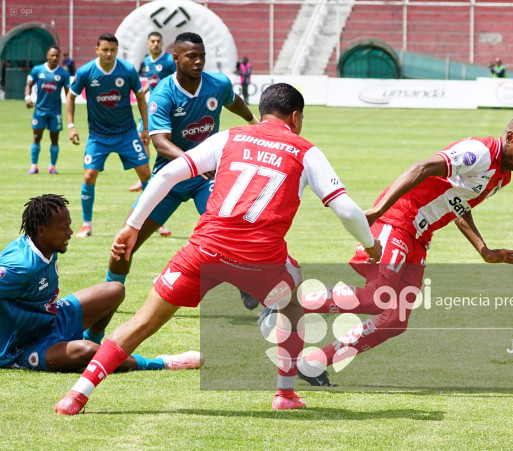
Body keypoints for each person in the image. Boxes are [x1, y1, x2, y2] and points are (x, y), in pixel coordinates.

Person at [54, 83, 382, 415]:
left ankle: (76, 395)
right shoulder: (305, 150)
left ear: (263, 111)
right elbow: (347, 211)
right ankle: (284, 394)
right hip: (261, 259)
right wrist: (371, 246)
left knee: (143, 322)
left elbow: (167, 174)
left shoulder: (230, 137)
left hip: (205, 250)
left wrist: (133, 225)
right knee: (294, 302)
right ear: (295, 118)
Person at [288, 112, 513, 386]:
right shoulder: (480, 153)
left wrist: (483, 250)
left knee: (395, 320)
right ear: (510, 138)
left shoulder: (501, 176)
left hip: (419, 237)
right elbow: (422, 167)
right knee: (379, 297)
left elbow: (458, 206)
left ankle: (313, 363)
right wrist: (379, 210)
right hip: (399, 220)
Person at [106, 32, 259, 305]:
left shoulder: (218, 84)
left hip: (207, 178)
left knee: (230, 230)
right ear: (176, 58)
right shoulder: (163, 93)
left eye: (202, 56)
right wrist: (194, 163)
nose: (198, 61)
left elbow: (232, 99)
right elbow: (161, 143)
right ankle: (108, 293)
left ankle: (246, 281)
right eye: (191, 56)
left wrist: (252, 120)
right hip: (170, 179)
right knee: (124, 245)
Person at [0, 194, 203, 373]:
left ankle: (94, 340)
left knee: (114, 290)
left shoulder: (42, 245)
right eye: (64, 228)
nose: (70, 232)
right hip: (24, 345)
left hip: (52, 319)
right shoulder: (20, 265)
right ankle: (158, 363)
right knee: (87, 352)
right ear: (42, 230)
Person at [66, 33, 152, 238]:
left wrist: (145, 128)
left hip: (127, 134)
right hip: (98, 136)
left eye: (112, 50)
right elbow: (71, 96)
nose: (108, 54)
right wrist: (71, 125)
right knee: (89, 176)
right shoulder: (86, 71)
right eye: (104, 49)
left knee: (147, 176)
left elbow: (140, 97)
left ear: (117, 50)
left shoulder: (128, 70)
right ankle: (87, 225)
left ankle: (151, 220)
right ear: (97, 49)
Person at [129, 31, 179, 194]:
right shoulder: (147, 61)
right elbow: (153, 81)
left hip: (168, 107)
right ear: (148, 44)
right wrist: (143, 91)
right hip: (151, 107)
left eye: (158, 41)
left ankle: (173, 175)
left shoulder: (169, 61)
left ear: (162, 43)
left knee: (168, 141)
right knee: (141, 138)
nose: (156, 44)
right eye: (153, 41)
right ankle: (144, 176)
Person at [24, 46, 70, 175]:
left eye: (57, 56)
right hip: (39, 111)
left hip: (55, 112)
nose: (54, 58)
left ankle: (52, 167)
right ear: (47, 56)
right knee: (37, 136)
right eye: (52, 55)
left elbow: (68, 94)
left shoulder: (63, 74)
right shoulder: (38, 70)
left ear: (60, 57)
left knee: (54, 138)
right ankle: (34, 166)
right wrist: (27, 97)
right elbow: (29, 84)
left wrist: (69, 110)